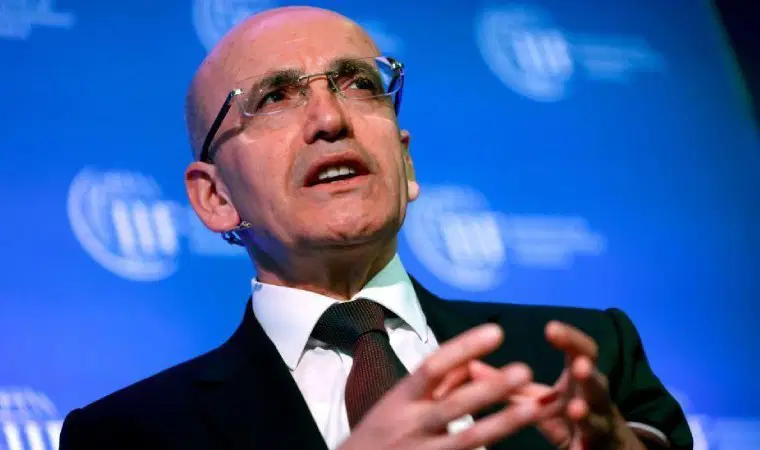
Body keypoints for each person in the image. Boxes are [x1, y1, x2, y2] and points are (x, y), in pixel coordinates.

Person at [59, 6, 692, 450]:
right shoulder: (129, 435)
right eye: (275, 97)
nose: (330, 118)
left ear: (406, 163)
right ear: (216, 197)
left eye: (360, 84)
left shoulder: (587, 357)